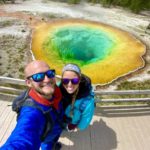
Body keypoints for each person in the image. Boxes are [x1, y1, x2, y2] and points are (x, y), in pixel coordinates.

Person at [0, 60, 64, 150]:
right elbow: (22, 139)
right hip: (47, 135)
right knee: (47, 145)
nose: (47, 79)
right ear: (28, 83)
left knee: (53, 140)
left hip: (55, 127)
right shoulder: (31, 113)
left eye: (50, 73)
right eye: (38, 76)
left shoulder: (55, 90)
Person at [59, 63, 95, 131]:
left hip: (70, 123)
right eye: (65, 80)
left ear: (80, 80)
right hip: (59, 119)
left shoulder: (87, 100)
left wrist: (79, 128)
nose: (69, 85)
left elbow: (86, 117)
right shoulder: (58, 88)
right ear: (62, 80)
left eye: (74, 80)